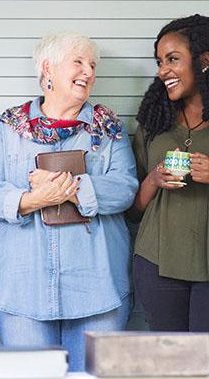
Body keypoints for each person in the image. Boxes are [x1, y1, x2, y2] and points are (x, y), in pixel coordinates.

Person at [0, 32, 138, 371]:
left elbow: (125, 188)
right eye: (78, 62)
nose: (88, 72)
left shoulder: (108, 128)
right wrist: (34, 199)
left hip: (98, 291)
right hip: (23, 291)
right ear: (48, 68)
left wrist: (72, 189)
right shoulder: (9, 127)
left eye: (92, 65)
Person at [132, 14, 209, 331]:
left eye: (173, 59)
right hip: (156, 263)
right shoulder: (153, 122)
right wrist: (153, 179)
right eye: (159, 61)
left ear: (204, 60)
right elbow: (132, 209)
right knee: (169, 363)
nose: (163, 70)